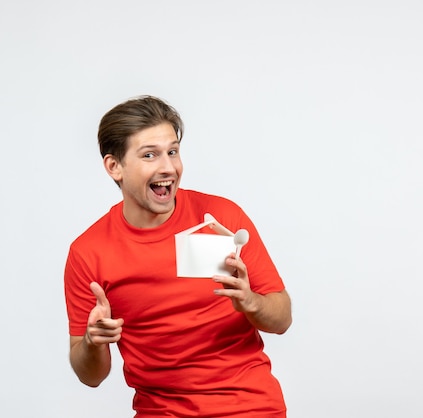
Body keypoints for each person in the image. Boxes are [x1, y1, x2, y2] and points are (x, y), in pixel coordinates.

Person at [64, 95, 292, 418]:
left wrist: (251, 302)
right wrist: (92, 341)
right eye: (150, 155)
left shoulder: (221, 218)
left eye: (172, 151)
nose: (168, 167)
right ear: (114, 167)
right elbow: (91, 375)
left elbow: (282, 318)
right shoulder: (87, 252)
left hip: (249, 407)